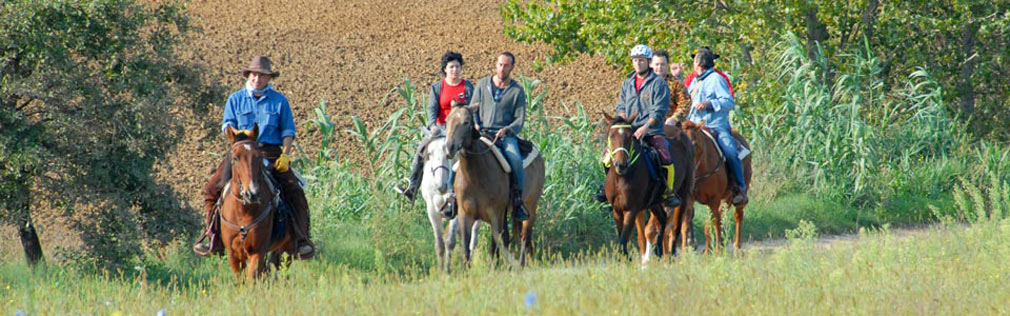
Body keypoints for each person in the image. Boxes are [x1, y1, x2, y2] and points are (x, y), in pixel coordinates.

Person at [193, 56, 315, 258]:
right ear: (249, 75)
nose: (257, 79)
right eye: (254, 74)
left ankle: (301, 239)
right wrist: (240, 138)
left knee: (295, 190)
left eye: (262, 75)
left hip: (270, 152)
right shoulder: (235, 99)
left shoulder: (279, 101)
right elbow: (227, 126)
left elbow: (287, 132)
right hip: (241, 151)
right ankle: (212, 236)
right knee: (211, 189)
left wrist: (285, 156)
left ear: (269, 78)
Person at [594, 44, 680, 207]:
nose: (638, 63)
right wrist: (622, 120)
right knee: (607, 156)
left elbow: (659, 110)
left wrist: (644, 127)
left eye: (641, 60)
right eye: (635, 60)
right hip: (628, 130)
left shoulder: (658, 83)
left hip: (651, 130)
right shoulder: (627, 83)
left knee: (665, 157)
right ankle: (606, 188)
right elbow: (621, 106)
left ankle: (667, 191)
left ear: (648, 62)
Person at [395, 51, 473, 218]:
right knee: (422, 149)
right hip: (441, 128)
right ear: (445, 69)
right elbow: (432, 109)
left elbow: (472, 110)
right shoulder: (438, 87)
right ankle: (412, 186)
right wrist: (432, 125)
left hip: (459, 132)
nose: (455, 70)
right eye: (451, 67)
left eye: (458, 67)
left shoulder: (467, 88)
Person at [470, 52, 529, 221]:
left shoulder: (517, 91)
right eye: (500, 64)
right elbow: (472, 108)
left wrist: (507, 130)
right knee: (460, 156)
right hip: (482, 133)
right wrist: (475, 123)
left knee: (515, 159)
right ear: (495, 65)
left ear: (512, 67)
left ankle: (517, 201)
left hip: (504, 136)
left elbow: (519, 119)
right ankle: (452, 197)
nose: (502, 69)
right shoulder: (482, 84)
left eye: (506, 65)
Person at [686, 47, 748, 205]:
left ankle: (739, 187)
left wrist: (709, 103)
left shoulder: (716, 79)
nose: (693, 64)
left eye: (694, 61)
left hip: (715, 126)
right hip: (694, 125)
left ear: (699, 62)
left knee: (730, 150)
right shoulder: (695, 81)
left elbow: (728, 102)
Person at [651, 50, 692, 121]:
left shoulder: (676, 83)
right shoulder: (645, 83)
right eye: (657, 64)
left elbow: (685, 103)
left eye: (662, 64)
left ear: (667, 65)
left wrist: (674, 118)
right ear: (651, 65)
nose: (660, 67)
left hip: (670, 126)